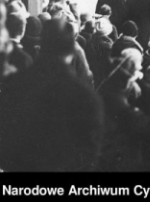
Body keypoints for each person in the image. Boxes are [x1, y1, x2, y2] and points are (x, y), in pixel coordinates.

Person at [0, 17, 104, 171]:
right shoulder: (83, 94)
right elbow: (90, 152)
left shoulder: (15, 82)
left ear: (41, 46)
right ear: (71, 51)